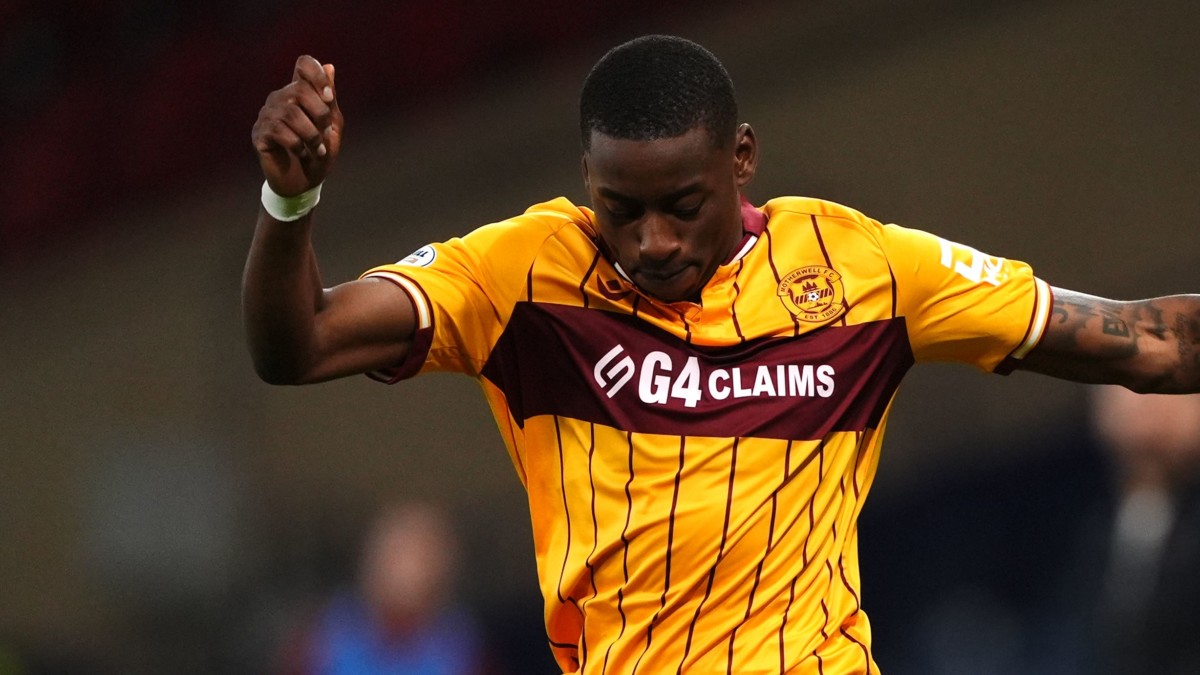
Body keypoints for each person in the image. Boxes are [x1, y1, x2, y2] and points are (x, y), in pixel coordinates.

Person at [243, 35, 1200, 673]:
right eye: (622, 210)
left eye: (682, 205)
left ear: (741, 157)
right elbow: (300, 344)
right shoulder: (522, 275)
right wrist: (291, 203)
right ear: (586, 178)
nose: (653, 240)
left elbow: (1150, 342)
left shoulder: (864, 269)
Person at [275, 501, 489, 675]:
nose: (407, 568)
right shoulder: (324, 635)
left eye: (421, 555)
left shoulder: (461, 647)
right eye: (397, 551)